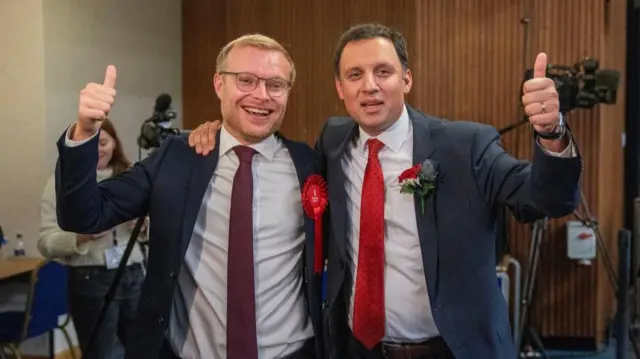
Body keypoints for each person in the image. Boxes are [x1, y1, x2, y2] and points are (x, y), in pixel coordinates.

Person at [187, 23, 582, 359]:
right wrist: (222, 131)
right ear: (340, 88)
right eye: (355, 75)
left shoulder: (466, 146)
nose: (370, 86)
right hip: (358, 348)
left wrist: (552, 133)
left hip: (452, 348)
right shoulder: (334, 140)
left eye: (383, 72)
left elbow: (548, 199)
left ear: (406, 79)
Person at [54, 34, 324, 359]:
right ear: (218, 84)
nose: (261, 95)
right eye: (246, 80)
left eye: (276, 84)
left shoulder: (309, 163)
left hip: (294, 352)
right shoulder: (178, 158)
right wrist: (85, 132)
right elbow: (83, 215)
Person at [39, 118, 146, 359]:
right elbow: (45, 243)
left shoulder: (133, 178)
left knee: (144, 348)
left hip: (134, 274)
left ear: (115, 143)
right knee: (102, 353)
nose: (99, 149)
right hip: (91, 279)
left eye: (104, 142)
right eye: (91, 143)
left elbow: (159, 226)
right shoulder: (63, 185)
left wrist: (142, 225)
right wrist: (81, 237)